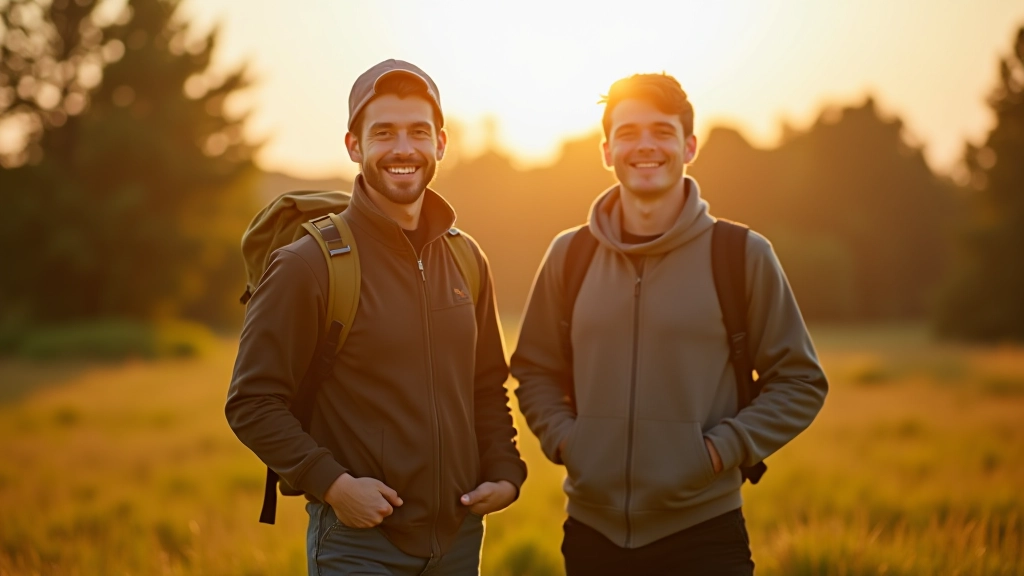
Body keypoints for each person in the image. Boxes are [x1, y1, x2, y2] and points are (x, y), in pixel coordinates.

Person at [510, 72, 828, 575]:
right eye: (629, 132)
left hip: (704, 535)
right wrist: (569, 442)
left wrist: (719, 452)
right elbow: (534, 370)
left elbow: (801, 381)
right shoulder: (569, 255)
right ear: (607, 149)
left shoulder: (741, 254)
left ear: (690, 145)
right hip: (592, 535)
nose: (646, 146)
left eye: (662, 131)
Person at [226, 59, 526, 576]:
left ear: (440, 144)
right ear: (354, 146)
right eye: (383, 133)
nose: (403, 149)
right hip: (358, 544)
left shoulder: (467, 258)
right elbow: (252, 402)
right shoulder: (309, 263)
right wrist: (336, 487)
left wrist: (504, 469)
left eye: (418, 132)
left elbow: (485, 384)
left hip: (457, 542)